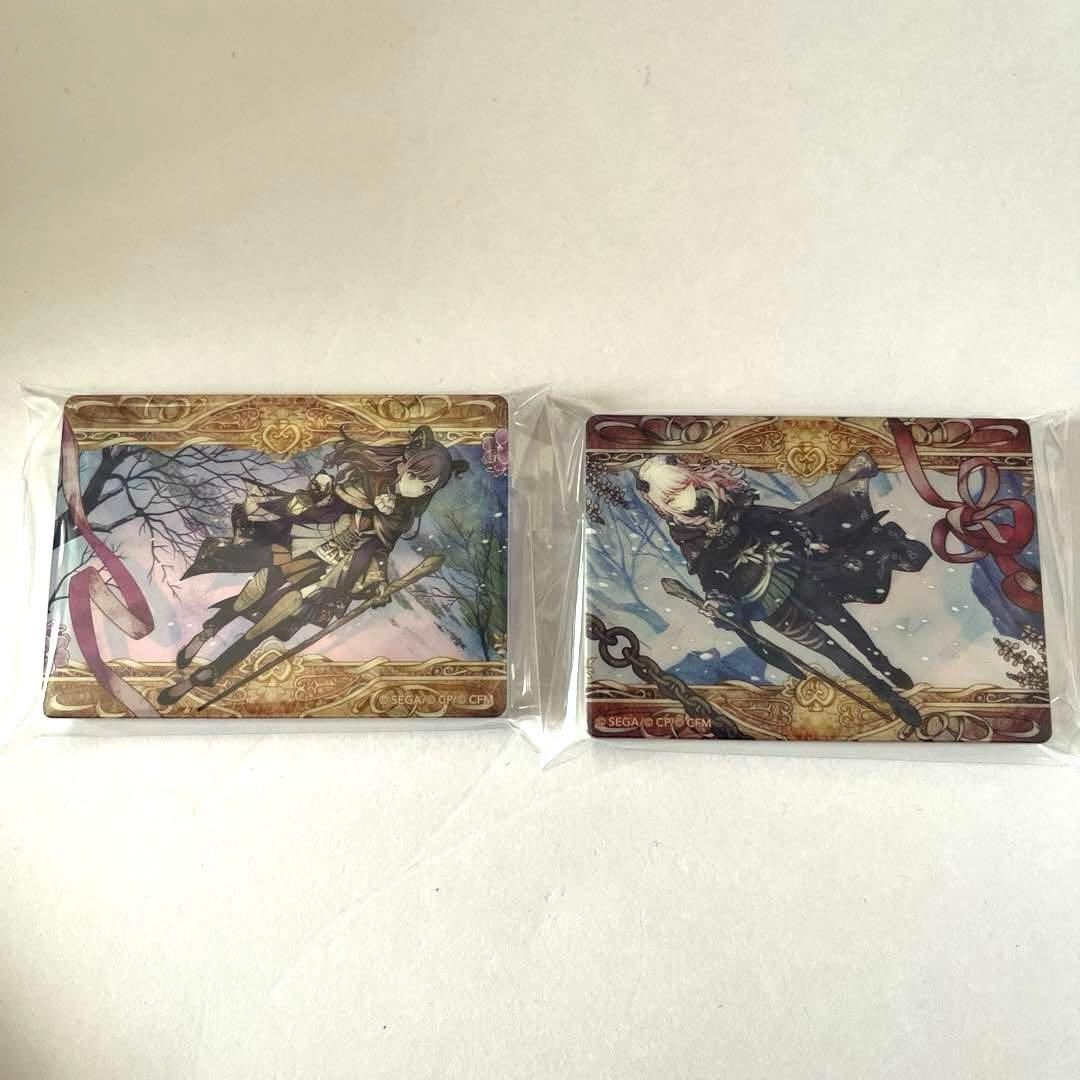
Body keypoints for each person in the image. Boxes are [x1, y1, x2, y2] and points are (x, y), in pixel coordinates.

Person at [157, 425, 468, 706]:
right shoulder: (365, 483)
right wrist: (318, 491)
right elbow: (325, 506)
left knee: (274, 619)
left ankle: (212, 671)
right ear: (402, 467)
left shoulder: (400, 518)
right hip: (304, 546)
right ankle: (207, 632)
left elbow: (379, 551)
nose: (417, 489)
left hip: (333, 574)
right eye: (415, 478)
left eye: (426, 488)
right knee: (252, 593)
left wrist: (377, 583)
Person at [631, 451, 930, 727]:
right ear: (661, 504)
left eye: (684, 487)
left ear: (692, 479)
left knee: (843, 622)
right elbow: (709, 574)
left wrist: (805, 539)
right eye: (671, 497)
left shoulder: (726, 499)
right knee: (829, 650)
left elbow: (771, 520)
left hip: (786, 564)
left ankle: (882, 663)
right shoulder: (687, 535)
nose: (683, 499)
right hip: (760, 599)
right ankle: (888, 697)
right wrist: (718, 601)